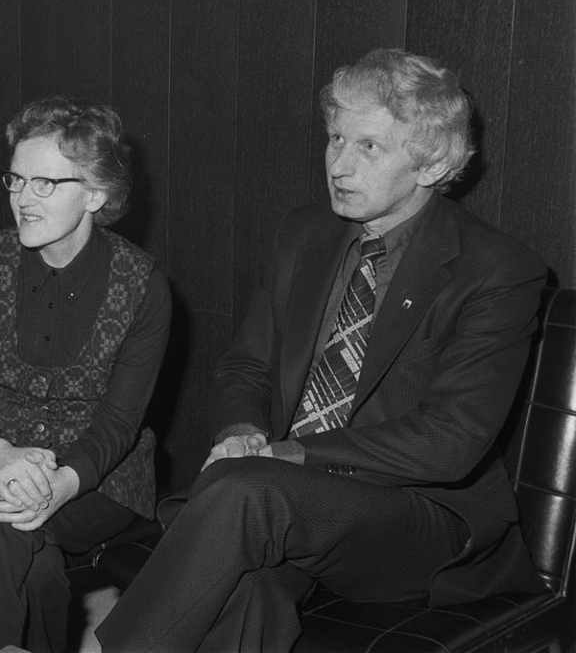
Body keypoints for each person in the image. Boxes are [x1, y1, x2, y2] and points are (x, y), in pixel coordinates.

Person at [96, 48, 548, 652]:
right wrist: (242, 433)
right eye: (336, 138)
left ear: (433, 162)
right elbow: (246, 367)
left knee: (247, 491)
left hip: (419, 516)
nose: (339, 164)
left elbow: (451, 440)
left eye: (369, 146)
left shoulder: (495, 269)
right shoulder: (304, 234)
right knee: (246, 588)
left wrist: (288, 455)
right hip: (283, 502)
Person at [0, 97, 172, 653]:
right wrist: (0, 456)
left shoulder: (144, 286)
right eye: (16, 180)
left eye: (45, 184)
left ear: (96, 194)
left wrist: (61, 485)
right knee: (30, 560)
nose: (22, 199)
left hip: (100, 478)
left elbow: (119, 423)